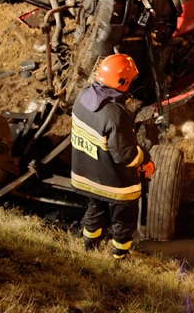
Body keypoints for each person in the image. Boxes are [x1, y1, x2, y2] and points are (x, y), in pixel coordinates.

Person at [70, 54, 154, 260]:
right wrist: (145, 158)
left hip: (86, 176)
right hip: (115, 185)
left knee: (95, 209)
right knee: (123, 220)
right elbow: (126, 157)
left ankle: (89, 246)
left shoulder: (82, 97)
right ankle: (120, 257)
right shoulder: (116, 115)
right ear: (122, 81)